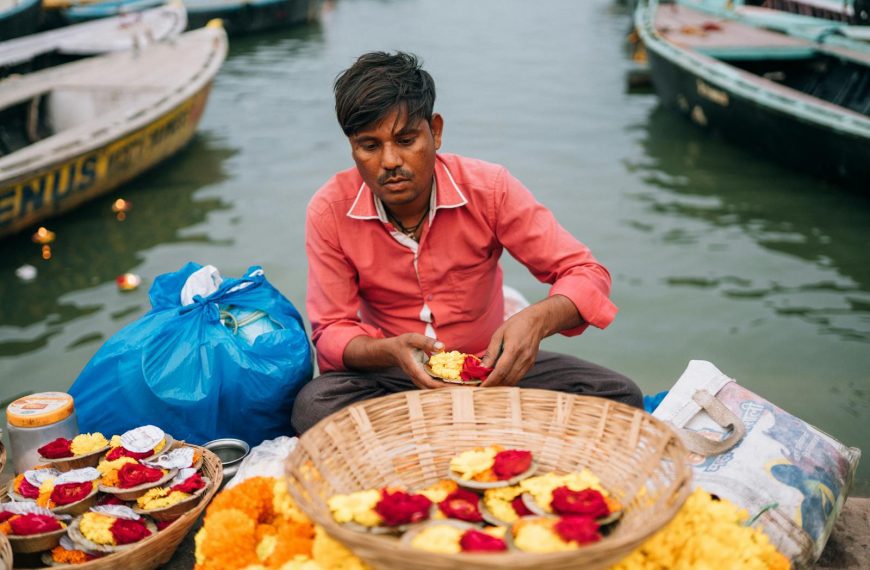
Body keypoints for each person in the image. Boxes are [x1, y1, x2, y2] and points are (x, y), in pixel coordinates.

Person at [291, 52, 641, 433]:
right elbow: (331, 331)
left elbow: (585, 273)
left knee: (618, 396)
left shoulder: (489, 189)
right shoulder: (330, 211)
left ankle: (441, 429)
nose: (390, 161)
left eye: (406, 139)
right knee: (313, 408)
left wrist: (536, 321)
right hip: (397, 376)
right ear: (352, 147)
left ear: (435, 131)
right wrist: (389, 351)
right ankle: (484, 428)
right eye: (369, 146)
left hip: (491, 371)